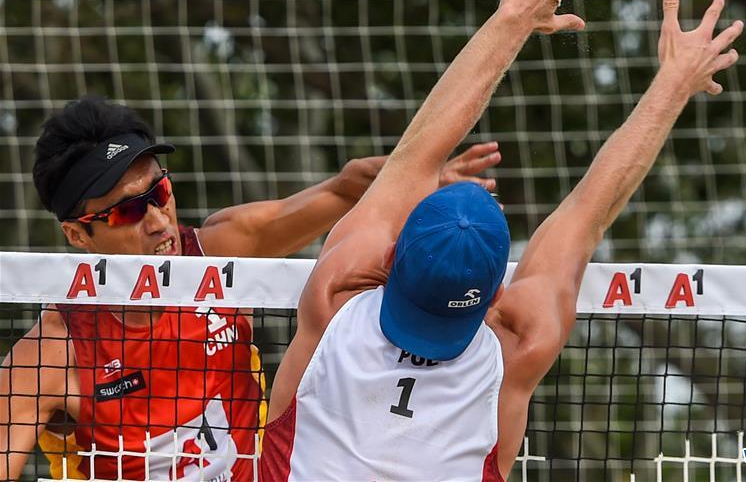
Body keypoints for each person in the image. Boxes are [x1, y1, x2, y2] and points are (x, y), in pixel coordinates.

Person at [259, 0, 744, 481]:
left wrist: (513, 15)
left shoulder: (336, 294)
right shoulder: (516, 343)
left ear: (390, 258)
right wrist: (674, 84)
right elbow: (589, 211)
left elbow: (421, 149)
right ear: (497, 293)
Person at [0, 97, 499, 480]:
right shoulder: (49, 353)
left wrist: (412, 182)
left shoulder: (219, 251)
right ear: (78, 234)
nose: (159, 222)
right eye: (129, 210)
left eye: (161, 193)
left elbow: (339, 193)